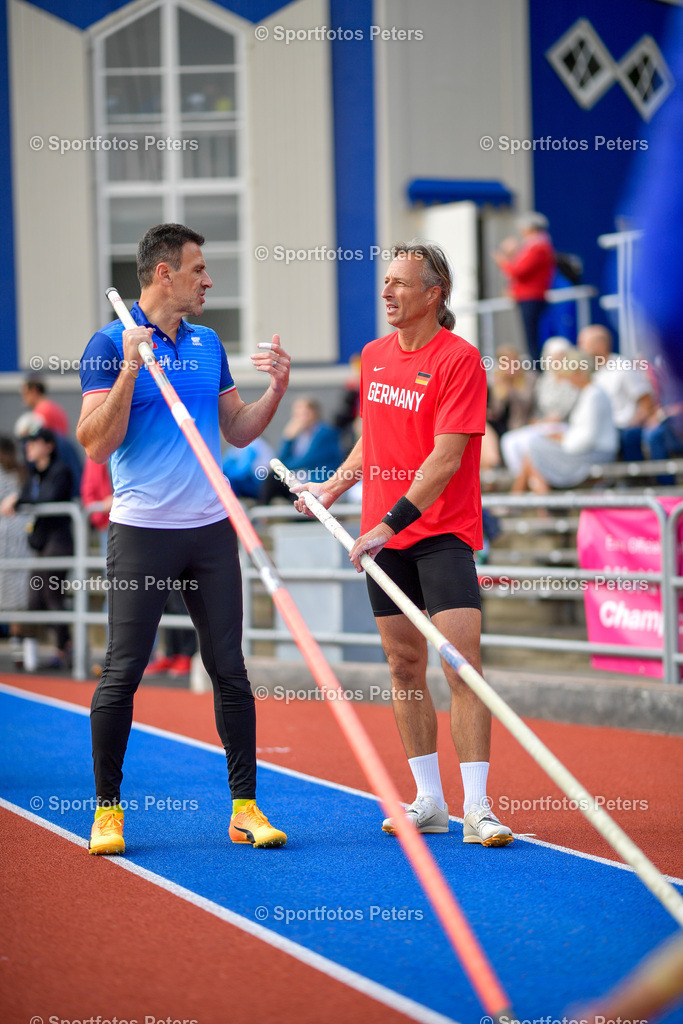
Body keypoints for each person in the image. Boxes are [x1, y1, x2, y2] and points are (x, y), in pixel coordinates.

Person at [77, 223, 290, 855]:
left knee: (230, 669)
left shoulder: (206, 343)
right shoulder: (108, 342)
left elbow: (239, 431)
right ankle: (108, 810)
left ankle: (245, 807)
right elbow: (94, 444)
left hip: (209, 531)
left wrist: (275, 388)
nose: (208, 280)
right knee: (125, 670)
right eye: (198, 269)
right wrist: (128, 373)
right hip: (143, 531)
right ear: (164, 273)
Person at [294, 241, 513, 846]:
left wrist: (391, 521)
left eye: (399, 283)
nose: (387, 293)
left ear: (433, 294)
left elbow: (446, 458)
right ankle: (429, 801)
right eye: (385, 281)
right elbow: (374, 439)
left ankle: (478, 807)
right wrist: (331, 490)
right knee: (403, 664)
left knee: (460, 664)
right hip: (380, 536)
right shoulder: (372, 357)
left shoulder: (460, 360)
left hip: (439, 534)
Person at [0, 425, 74, 671]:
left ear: (49, 446)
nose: (28, 447)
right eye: (27, 443)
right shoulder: (32, 474)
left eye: (34, 442)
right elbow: (28, 497)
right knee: (35, 596)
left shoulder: (60, 471)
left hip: (59, 543)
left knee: (51, 595)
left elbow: (49, 498)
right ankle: (30, 653)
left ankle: (65, 648)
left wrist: (19, 500)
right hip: (42, 543)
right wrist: (19, 499)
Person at [511, 354, 618, 493]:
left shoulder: (594, 396)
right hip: (587, 450)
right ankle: (535, 503)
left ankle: (524, 498)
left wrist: (562, 439)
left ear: (579, 374)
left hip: (594, 453)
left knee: (533, 449)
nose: (568, 381)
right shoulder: (590, 393)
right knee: (533, 451)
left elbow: (587, 437)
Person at [493, 212, 556, 362]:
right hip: (529, 297)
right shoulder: (535, 246)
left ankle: (537, 366)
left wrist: (503, 260)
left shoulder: (538, 247)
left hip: (531, 297)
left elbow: (518, 271)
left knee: (532, 337)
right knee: (531, 336)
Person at [258, 397, 342, 504]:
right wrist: (288, 439)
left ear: (314, 413)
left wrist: (281, 469)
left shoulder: (324, 433)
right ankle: (263, 516)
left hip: (319, 481)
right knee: (272, 479)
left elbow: (307, 460)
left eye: (305, 413)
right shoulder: (299, 435)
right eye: (297, 415)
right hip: (303, 479)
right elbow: (281, 459)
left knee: (276, 478)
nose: (300, 418)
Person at [0, 437, 31, 667]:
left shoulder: (16, 474)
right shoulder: (22, 472)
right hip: (22, 539)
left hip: (9, 540)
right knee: (19, 598)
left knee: (13, 595)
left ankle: (20, 649)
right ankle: (20, 650)